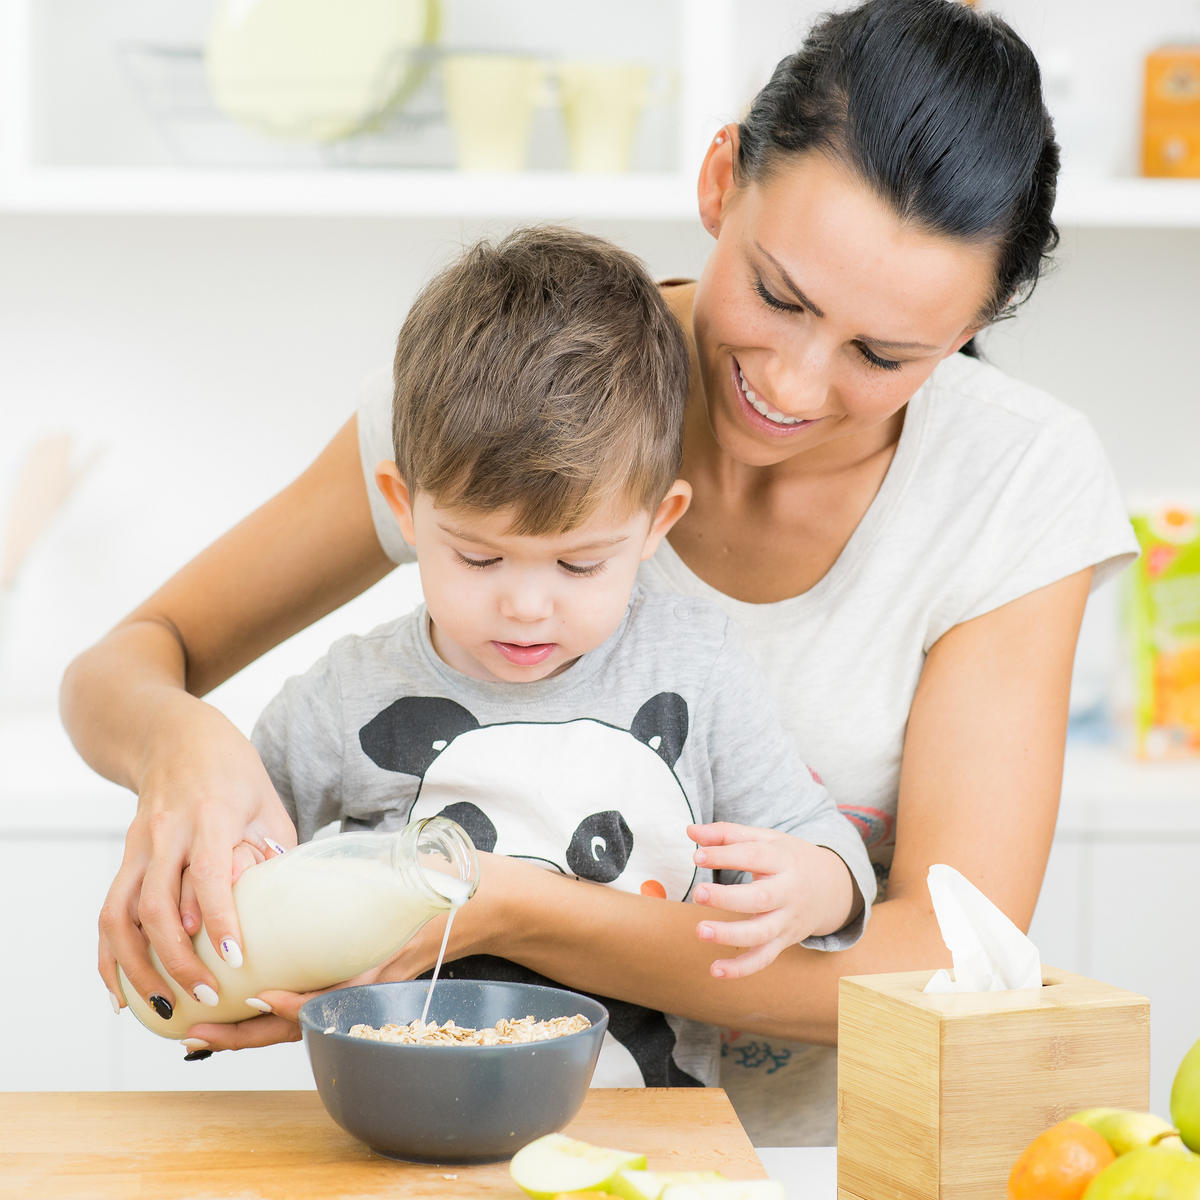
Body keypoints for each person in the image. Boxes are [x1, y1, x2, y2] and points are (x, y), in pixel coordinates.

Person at [63, 0, 1138, 1144]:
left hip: (823, 1161)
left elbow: (942, 956)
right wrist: (183, 751)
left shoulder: (1015, 479)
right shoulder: (511, 401)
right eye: (777, 294)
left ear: (979, 319)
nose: (798, 383)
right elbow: (129, 662)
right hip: (473, 1143)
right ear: (722, 179)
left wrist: (493, 910)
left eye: (887, 355)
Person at [231, 225, 874, 1088]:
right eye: (478, 557)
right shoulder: (349, 696)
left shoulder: (698, 669)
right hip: (404, 1115)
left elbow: (821, 845)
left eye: (579, 564)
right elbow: (242, 855)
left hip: (651, 1132)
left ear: (658, 525)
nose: (527, 605)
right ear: (402, 505)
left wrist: (813, 886)